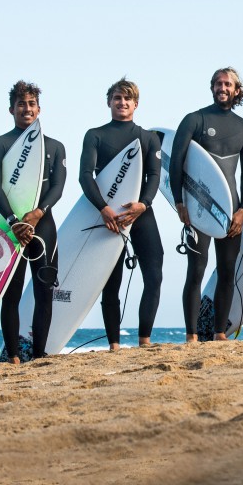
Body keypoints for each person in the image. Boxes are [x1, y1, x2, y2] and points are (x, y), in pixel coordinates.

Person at [171, 67, 243, 341]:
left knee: (227, 270)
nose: (222, 87)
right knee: (196, 268)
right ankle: (191, 335)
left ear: (236, 90)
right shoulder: (194, 119)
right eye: (218, 83)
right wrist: (179, 201)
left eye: (228, 84)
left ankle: (219, 333)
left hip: (231, 210)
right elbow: (176, 162)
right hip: (198, 210)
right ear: (212, 87)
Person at [80, 78, 163, 350]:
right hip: (109, 216)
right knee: (110, 281)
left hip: (140, 214)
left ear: (136, 104)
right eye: (117, 98)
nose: (122, 103)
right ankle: (114, 343)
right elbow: (85, 176)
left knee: (154, 275)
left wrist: (144, 204)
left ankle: (145, 339)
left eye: (127, 99)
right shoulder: (95, 135)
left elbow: (154, 174)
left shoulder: (148, 137)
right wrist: (103, 208)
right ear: (109, 102)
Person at [0, 80, 66, 364]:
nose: (27, 108)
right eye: (21, 103)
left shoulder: (55, 147)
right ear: (11, 109)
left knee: (44, 291)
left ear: (39, 109)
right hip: (10, 229)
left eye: (32, 103)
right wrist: (13, 220)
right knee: (10, 293)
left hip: (43, 226)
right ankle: (12, 356)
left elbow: (58, 186)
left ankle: (38, 354)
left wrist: (38, 213)